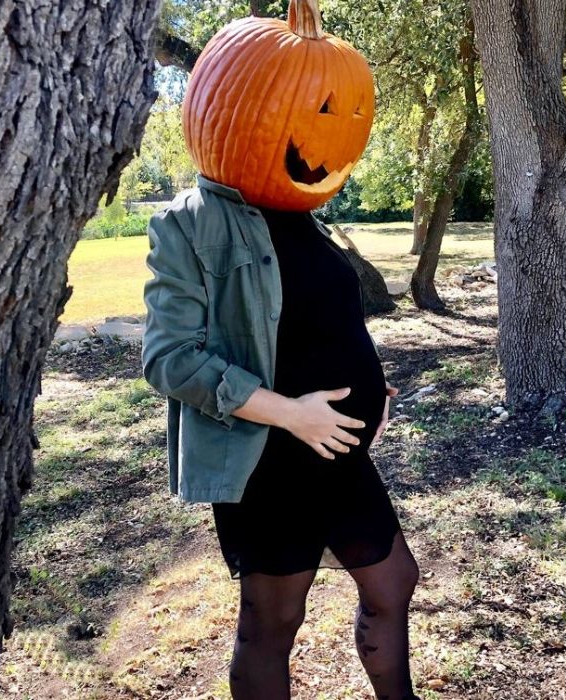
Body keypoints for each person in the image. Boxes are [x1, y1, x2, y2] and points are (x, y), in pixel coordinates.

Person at [141, 174, 421, 699]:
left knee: (394, 581)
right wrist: (293, 413)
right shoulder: (188, 220)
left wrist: (368, 384)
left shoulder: (297, 208)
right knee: (272, 623)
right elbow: (169, 359)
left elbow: (313, 322)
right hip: (267, 459)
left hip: (337, 452)